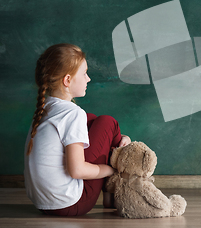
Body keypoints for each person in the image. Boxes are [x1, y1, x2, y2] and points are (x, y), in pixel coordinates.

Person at [24, 43, 131, 216]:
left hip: (43, 203)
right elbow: (77, 170)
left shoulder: (46, 109)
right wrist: (112, 169)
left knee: (91, 120)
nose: (88, 78)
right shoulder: (72, 113)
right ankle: (115, 183)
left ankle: (111, 187)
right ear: (67, 80)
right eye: (84, 73)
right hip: (71, 203)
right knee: (107, 122)